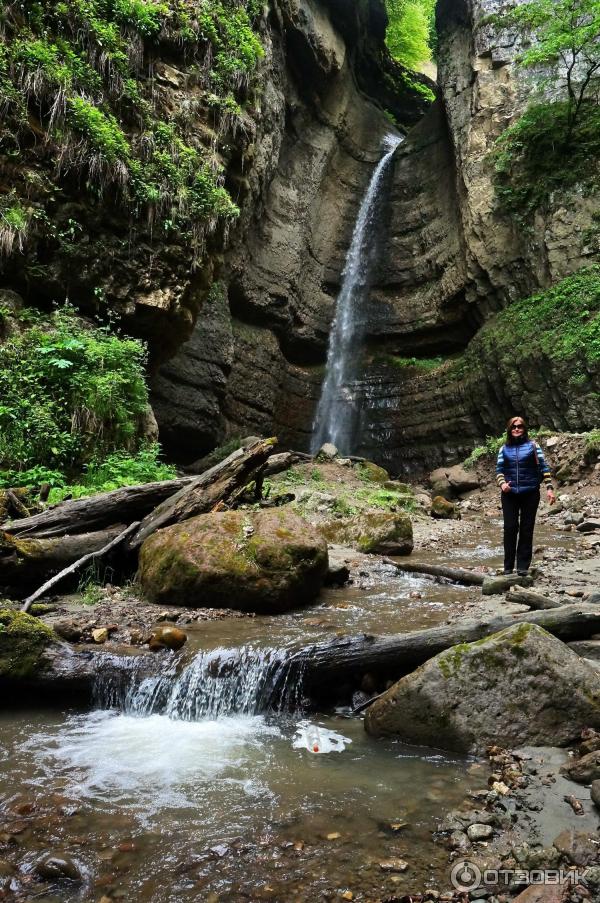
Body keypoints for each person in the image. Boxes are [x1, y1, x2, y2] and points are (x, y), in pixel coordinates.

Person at [495, 416, 556, 576]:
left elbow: (544, 467)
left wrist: (549, 488)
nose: (517, 429)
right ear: (509, 429)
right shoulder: (504, 449)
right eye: (514, 427)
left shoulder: (533, 446)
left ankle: (522, 567)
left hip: (530, 492)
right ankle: (508, 567)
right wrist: (502, 484)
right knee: (510, 528)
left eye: (520, 426)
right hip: (509, 494)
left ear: (524, 429)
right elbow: (499, 470)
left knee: (526, 529)